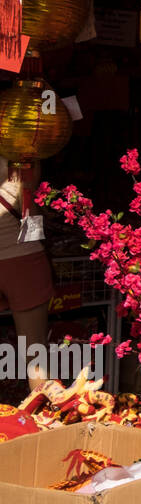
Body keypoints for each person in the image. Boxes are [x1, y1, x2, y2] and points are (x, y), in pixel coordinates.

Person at [0, 160, 53, 391]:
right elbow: (29, 210)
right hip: (22, 257)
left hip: (19, 254)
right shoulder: (24, 146)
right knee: (35, 357)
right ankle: (43, 423)